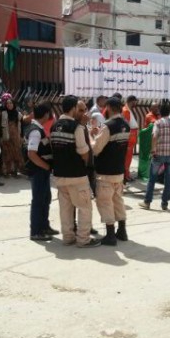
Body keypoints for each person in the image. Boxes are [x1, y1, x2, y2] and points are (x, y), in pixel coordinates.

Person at [50, 95, 100, 248]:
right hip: (76, 175)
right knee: (85, 207)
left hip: (59, 174)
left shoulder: (54, 126)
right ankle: (83, 239)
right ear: (73, 109)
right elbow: (84, 152)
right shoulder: (76, 127)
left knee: (65, 209)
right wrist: (82, 164)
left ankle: (68, 237)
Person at [90, 97, 130, 246]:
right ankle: (122, 231)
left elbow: (96, 149)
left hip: (106, 172)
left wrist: (91, 136)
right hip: (119, 171)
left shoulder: (108, 126)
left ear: (110, 108)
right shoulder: (126, 125)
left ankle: (110, 235)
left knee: (105, 202)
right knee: (118, 200)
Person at [139, 102, 170, 211]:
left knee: (152, 179)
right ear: (169, 112)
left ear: (160, 112)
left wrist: (153, 150)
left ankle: (147, 202)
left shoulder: (158, 122)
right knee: (168, 180)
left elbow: (154, 136)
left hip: (159, 154)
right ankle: (164, 204)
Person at [25, 103, 57, 241]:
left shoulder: (38, 129)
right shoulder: (35, 131)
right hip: (38, 171)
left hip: (42, 171)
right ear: (45, 115)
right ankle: (36, 231)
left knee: (45, 198)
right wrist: (46, 166)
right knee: (38, 200)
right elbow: (32, 154)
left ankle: (44, 226)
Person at [0, 93, 24, 178]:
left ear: (14, 104)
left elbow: (22, 126)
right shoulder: (3, 113)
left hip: (16, 136)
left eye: (10, 103)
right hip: (6, 136)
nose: (9, 105)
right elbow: (0, 125)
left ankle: (15, 171)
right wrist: (1, 137)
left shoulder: (18, 114)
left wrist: (21, 136)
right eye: (7, 103)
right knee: (7, 154)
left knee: (16, 153)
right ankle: (6, 171)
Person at [122, 95, 139, 182]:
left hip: (132, 135)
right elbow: (126, 126)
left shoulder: (128, 110)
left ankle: (127, 174)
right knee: (127, 158)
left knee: (128, 158)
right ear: (132, 101)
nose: (135, 104)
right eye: (135, 102)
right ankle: (126, 176)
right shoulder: (126, 110)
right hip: (129, 136)